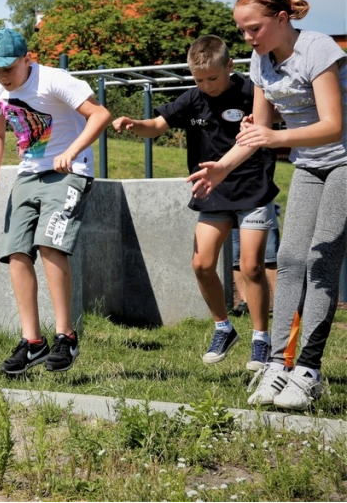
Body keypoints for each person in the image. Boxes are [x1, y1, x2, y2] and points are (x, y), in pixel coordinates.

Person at [189, 0, 347, 410]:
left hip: (344, 161)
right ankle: (278, 366)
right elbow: (256, 134)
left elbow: (333, 125)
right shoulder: (261, 63)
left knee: (321, 261)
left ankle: (308, 371)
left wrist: (278, 135)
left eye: (254, 28)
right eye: (242, 31)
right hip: (311, 165)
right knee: (292, 259)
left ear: (282, 18)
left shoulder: (318, 50)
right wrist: (222, 168)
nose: (248, 38)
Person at [113, 35, 278, 371]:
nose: (207, 85)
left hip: (252, 188)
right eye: (199, 79)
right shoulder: (192, 100)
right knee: (202, 265)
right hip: (211, 192)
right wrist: (135, 125)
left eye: (212, 78)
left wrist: (261, 123)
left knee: (250, 267)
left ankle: (261, 338)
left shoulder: (252, 93)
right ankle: (223, 327)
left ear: (230, 67)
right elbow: (157, 126)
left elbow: (273, 121)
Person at [0, 28, 111, 375]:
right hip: (28, 174)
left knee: (50, 245)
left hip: (69, 171)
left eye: (8, 68)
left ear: (28, 59)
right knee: (16, 250)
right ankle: (32, 342)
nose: (2, 76)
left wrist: (71, 151)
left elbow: (100, 115)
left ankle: (66, 335)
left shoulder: (55, 80)